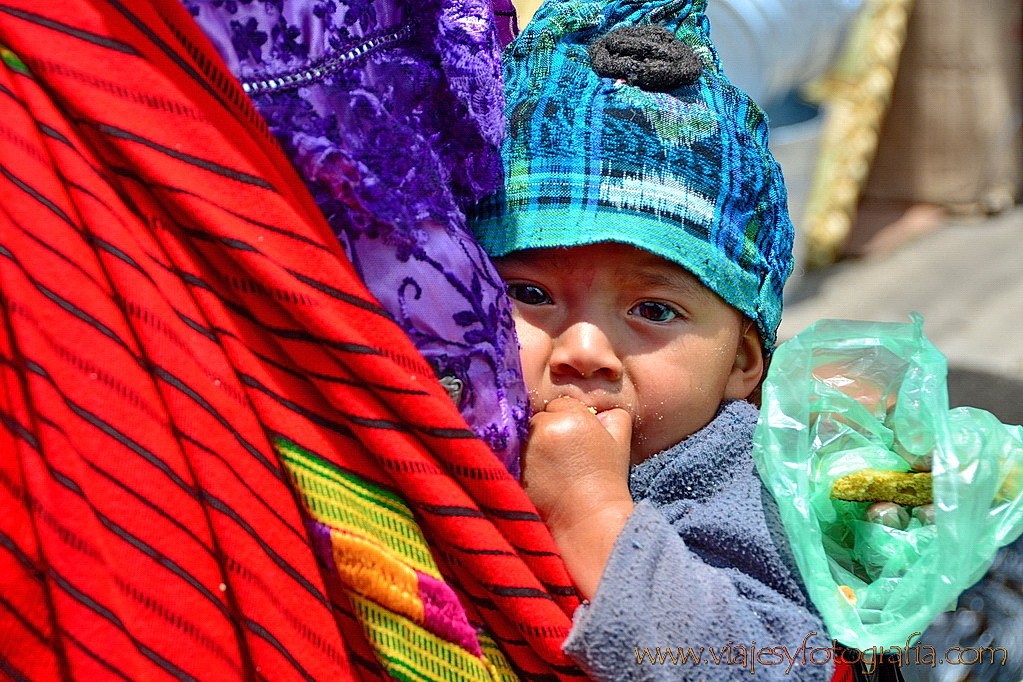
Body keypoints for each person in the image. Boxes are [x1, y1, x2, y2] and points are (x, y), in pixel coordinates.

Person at [471, 0, 833, 678]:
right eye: (529, 293)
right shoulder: (449, 417)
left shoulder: (737, 487)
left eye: (654, 310)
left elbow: (764, 667)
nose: (581, 348)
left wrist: (591, 512)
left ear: (741, 364)